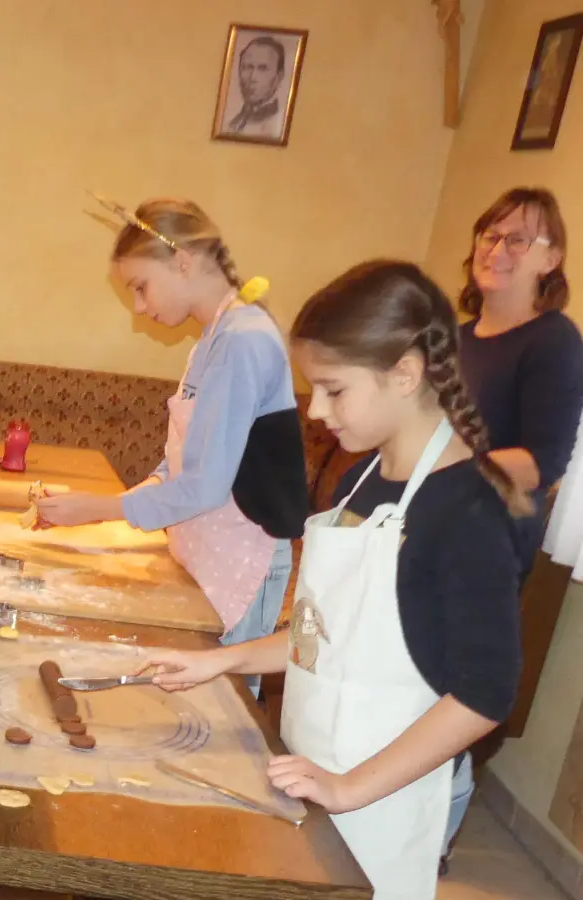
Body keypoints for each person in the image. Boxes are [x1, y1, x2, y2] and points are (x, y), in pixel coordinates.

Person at [143, 260, 527, 900]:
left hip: (383, 795)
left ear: (405, 373)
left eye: (334, 389)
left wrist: (348, 788)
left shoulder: (466, 509)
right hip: (311, 767)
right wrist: (219, 662)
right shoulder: (362, 478)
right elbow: (320, 635)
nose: (316, 410)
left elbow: (485, 696)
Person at [37, 199, 307, 658]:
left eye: (141, 287)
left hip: (240, 566)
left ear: (183, 262)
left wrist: (103, 508)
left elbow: (204, 488)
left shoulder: (244, 342)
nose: (140, 308)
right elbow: (178, 461)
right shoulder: (211, 341)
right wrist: (117, 508)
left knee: (223, 713)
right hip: (201, 553)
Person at [455, 187, 583, 573]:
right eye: (490, 236)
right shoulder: (455, 338)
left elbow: (541, 463)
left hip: (488, 538)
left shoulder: (553, 340)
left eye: (518, 240)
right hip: (432, 518)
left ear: (551, 259)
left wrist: (439, 472)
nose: (496, 252)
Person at [226, 36, 287, 138]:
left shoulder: (279, 125)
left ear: (279, 77)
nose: (252, 77)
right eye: (247, 67)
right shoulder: (232, 123)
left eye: (262, 68)